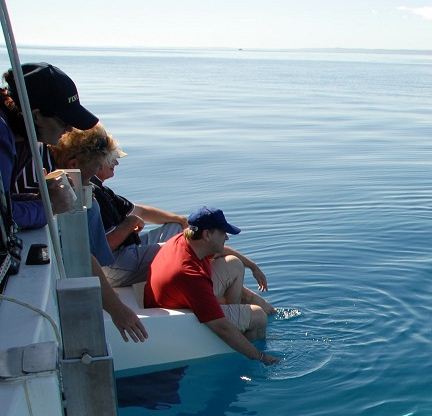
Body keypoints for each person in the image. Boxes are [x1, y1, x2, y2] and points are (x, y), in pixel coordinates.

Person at [0, 62, 147, 342]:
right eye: (64, 122)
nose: (68, 130)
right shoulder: (2, 136)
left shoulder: (25, 140)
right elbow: (5, 218)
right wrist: (48, 204)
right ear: (35, 115)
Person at [51, 124, 187, 286]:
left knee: (182, 229)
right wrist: (129, 224)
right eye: (101, 163)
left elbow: (140, 211)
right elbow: (102, 250)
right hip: (114, 265)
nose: (115, 163)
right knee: (191, 246)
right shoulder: (86, 196)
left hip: (127, 249)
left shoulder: (94, 187)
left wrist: (180, 219)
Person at [144, 206, 279, 364]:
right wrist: (261, 357)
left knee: (234, 264)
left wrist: (253, 267)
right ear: (207, 234)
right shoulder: (190, 275)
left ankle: (242, 318)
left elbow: (221, 250)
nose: (227, 238)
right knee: (259, 316)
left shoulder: (187, 239)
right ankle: (244, 348)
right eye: (223, 233)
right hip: (177, 310)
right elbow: (221, 327)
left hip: (181, 292)